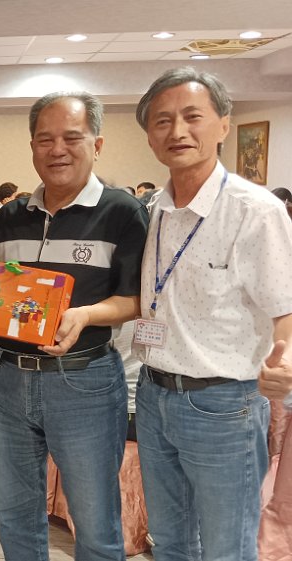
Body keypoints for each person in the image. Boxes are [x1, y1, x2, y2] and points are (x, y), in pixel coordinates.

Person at [0, 91, 148, 561]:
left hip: (84, 381)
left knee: (94, 521)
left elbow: (135, 298)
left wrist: (85, 315)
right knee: (15, 515)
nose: (57, 150)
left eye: (72, 138)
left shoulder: (122, 211)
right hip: (7, 378)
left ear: (97, 145)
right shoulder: (12, 215)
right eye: (45, 139)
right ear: (32, 146)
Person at [132, 66, 292, 561]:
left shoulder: (255, 210)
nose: (177, 131)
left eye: (192, 116)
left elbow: (286, 307)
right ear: (150, 137)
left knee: (228, 548)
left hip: (223, 405)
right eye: (162, 121)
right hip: (153, 395)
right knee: (170, 542)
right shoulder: (153, 209)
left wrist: (286, 360)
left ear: (224, 125)